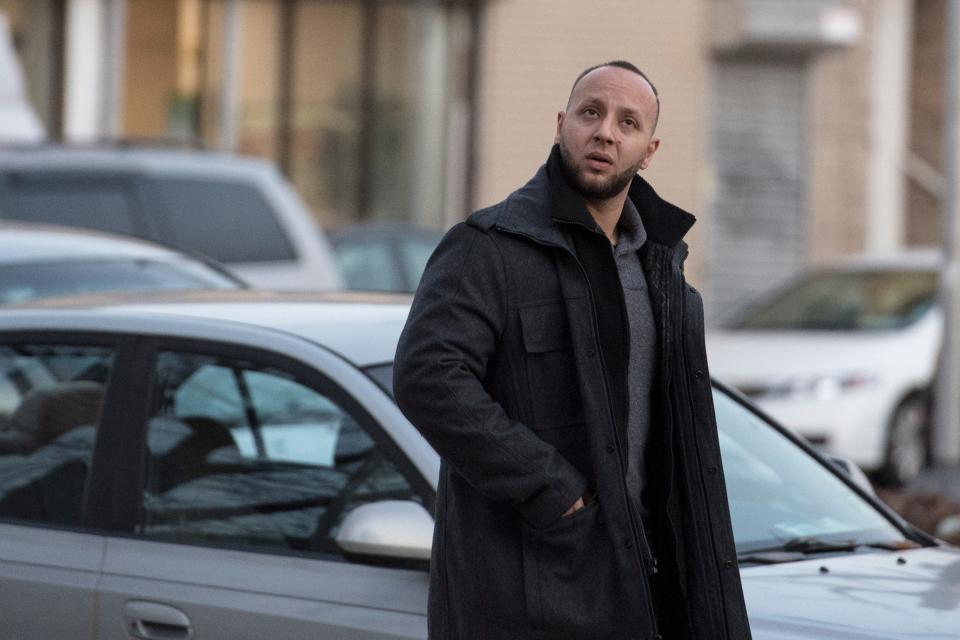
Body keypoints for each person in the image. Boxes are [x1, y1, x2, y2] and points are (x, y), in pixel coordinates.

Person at [394, 60, 752, 640]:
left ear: (649, 149)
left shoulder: (662, 267)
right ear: (562, 124)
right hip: (528, 589)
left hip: (650, 585)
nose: (605, 131)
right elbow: (427, 378)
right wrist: (555, 491)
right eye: (591, 113)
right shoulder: (489, 248)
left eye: (627, 122)